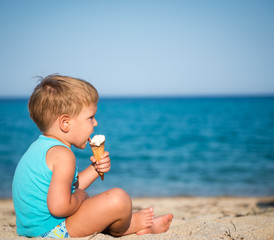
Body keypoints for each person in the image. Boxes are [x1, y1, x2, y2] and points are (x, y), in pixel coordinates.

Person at [12, 74, 173, 238]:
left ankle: (131, 223)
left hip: (32, 229)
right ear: (65, 123)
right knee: (118, 199)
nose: (95, 123)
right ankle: (126, 228)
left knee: (97, 205)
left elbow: (66, 187)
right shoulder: (63, 155)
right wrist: (80, 196)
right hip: (51, 231)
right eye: (90, 117)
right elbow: (59, 207)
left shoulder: (39, 148)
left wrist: (95, 169)